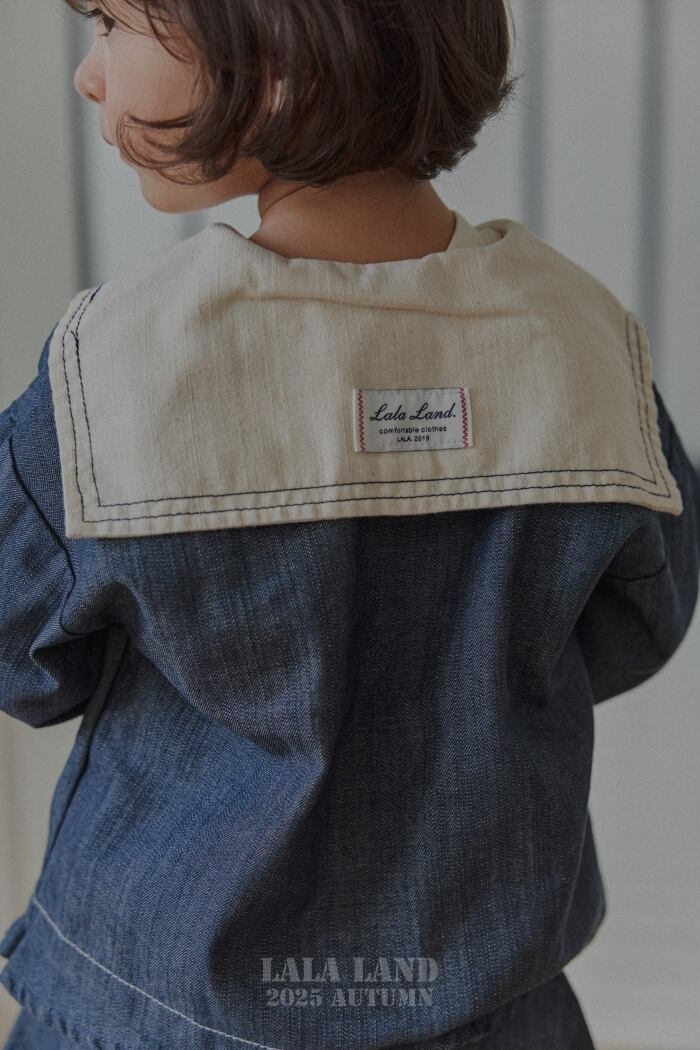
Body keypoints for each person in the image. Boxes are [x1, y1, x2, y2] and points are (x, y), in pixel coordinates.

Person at [1, 1, 699, 1047]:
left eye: (110, 21)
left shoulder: (122, 365)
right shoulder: (580, 340)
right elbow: (640, 623)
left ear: (282, 59)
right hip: (492, 1008)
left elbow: (20, 657)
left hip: (159, 1011)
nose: (88, 73)